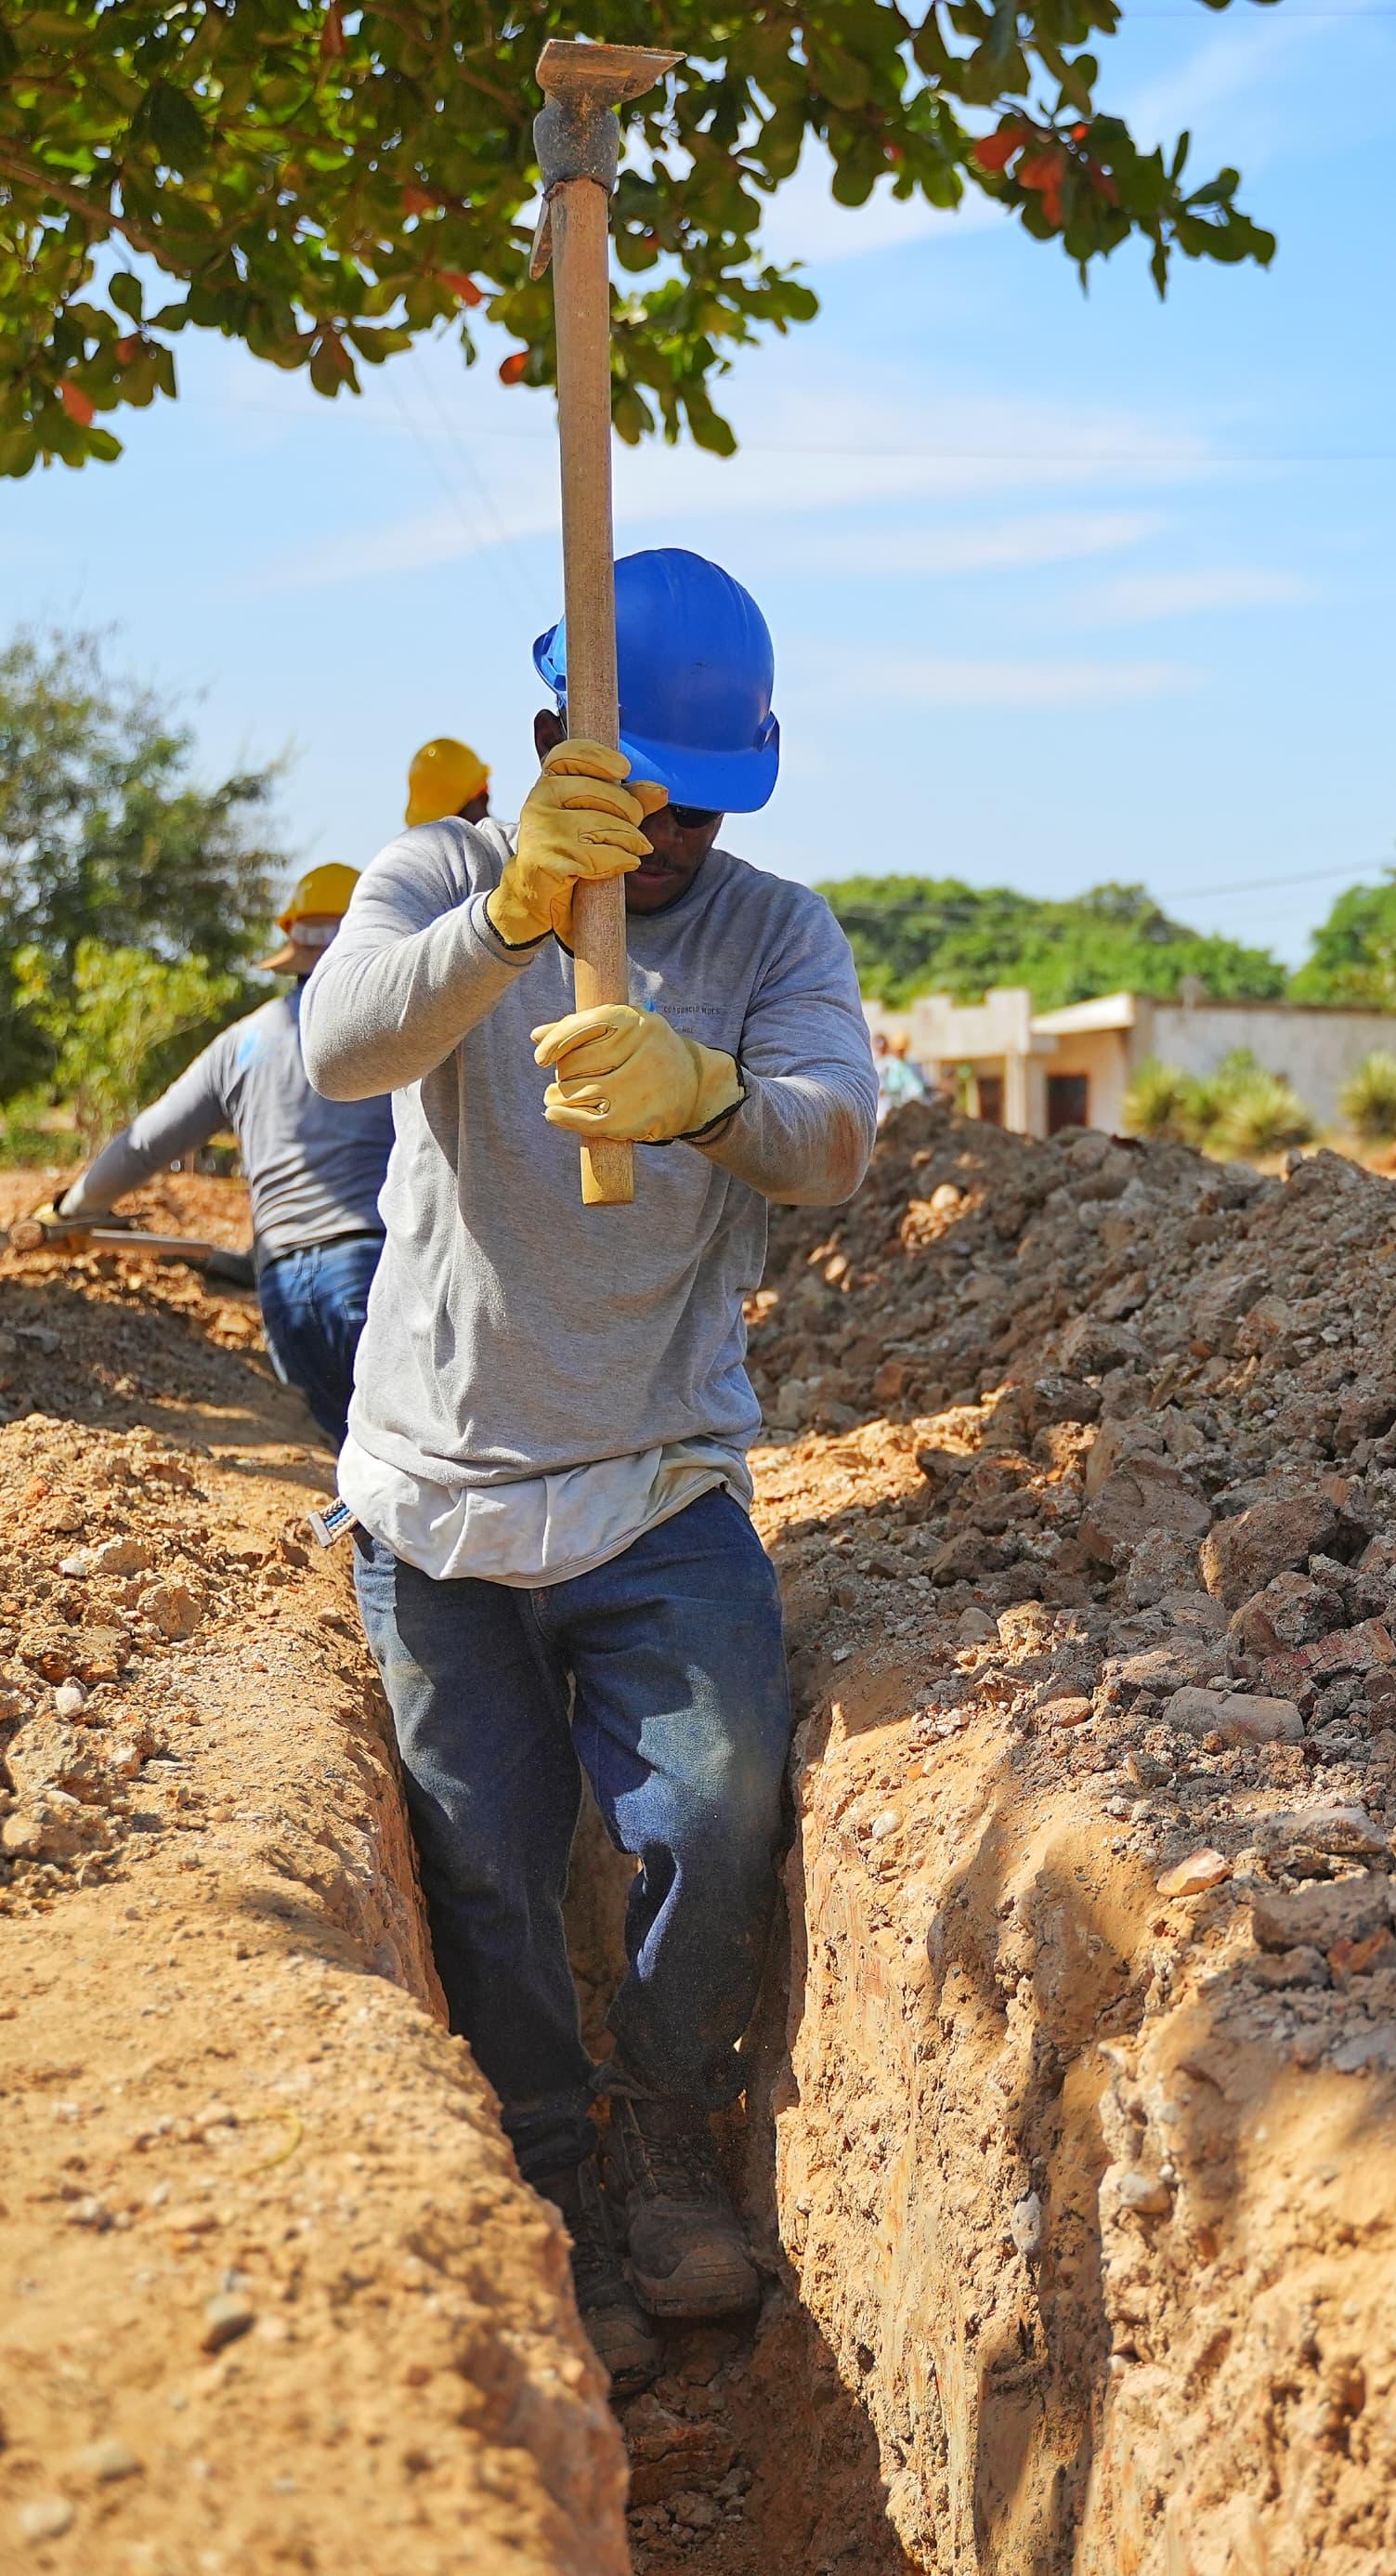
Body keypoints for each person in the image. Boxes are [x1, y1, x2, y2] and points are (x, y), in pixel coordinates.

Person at [301, 548, 874, 2393]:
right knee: (480, 1866)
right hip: (435, 1485)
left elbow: (835, 1141)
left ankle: (660, 2139)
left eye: (711, 805)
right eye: (647, 796)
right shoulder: (441, 877)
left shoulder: (776, 935)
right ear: (558, 740)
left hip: (656, 1471)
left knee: (712, 1814)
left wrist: (707, 1094)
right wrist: (509, 922)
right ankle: (540, 2184)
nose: (681, 836)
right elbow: (342, 1040)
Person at [29, 863, 397, 1444]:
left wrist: (70, 1210)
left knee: (350, 1459)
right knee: (412, 1465)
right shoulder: (398, 1023)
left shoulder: (244, 1042)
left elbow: (147, 1142)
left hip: (282, 1291)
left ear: (292, 944)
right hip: (375, 1268)